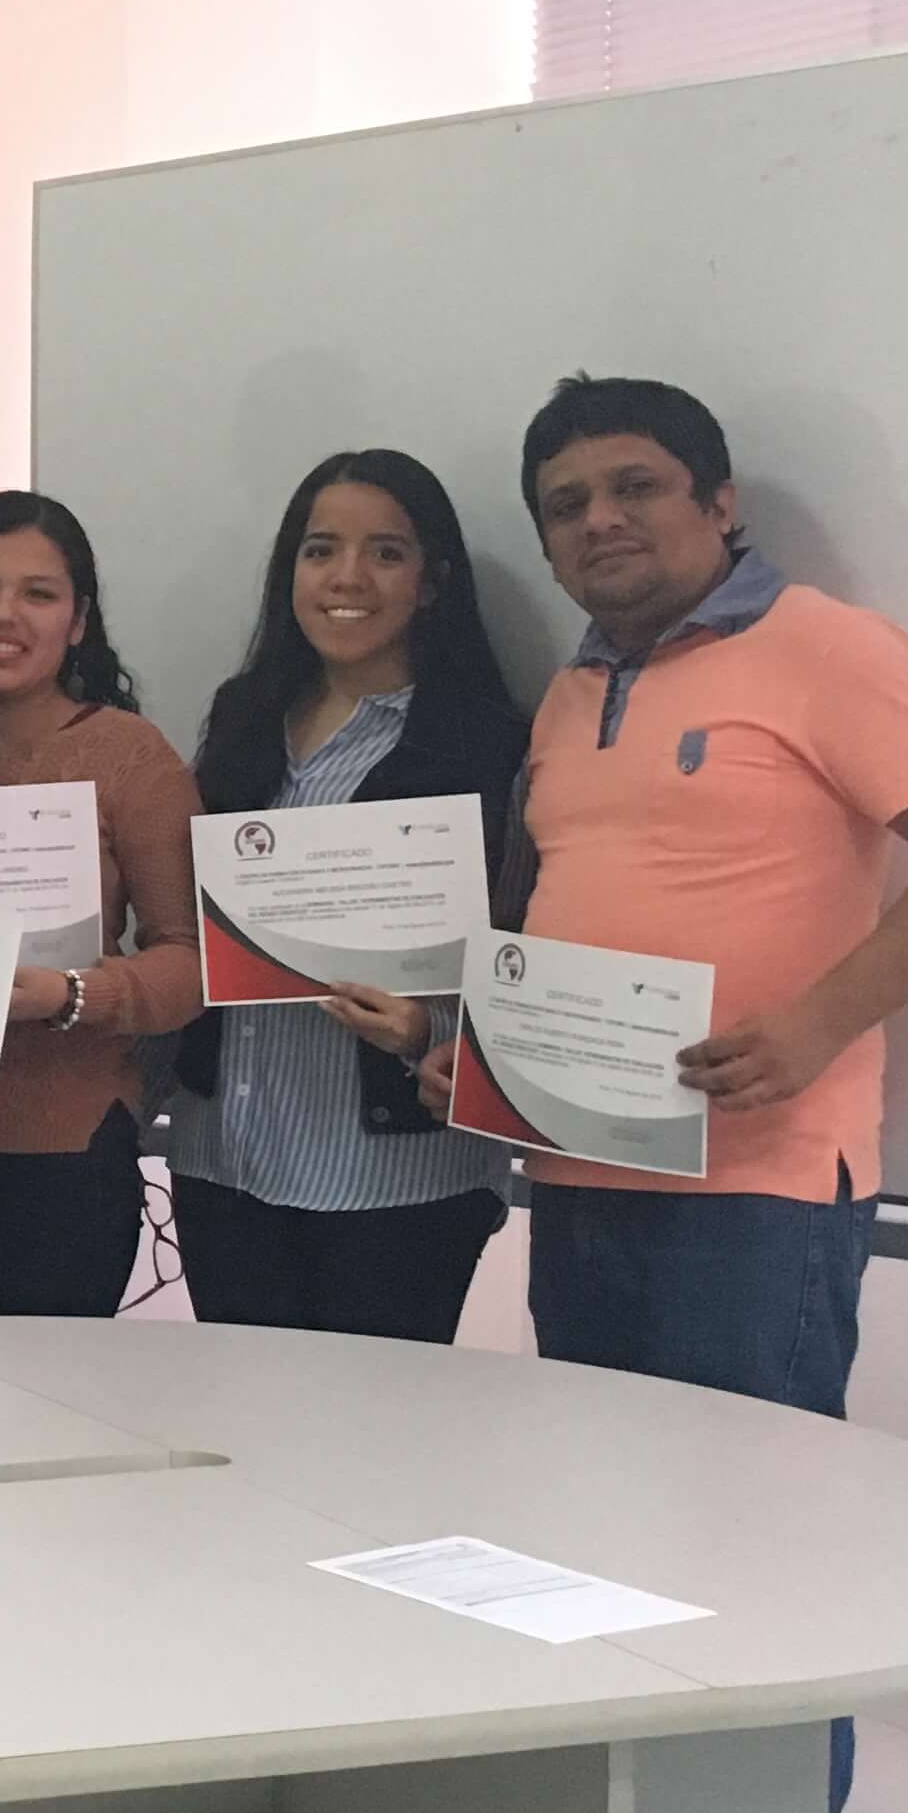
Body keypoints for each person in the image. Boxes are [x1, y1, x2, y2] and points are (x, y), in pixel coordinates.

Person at [442, 376, 908, 1813]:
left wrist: (820, 1022)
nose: (600, 521)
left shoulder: (828, 647)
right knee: (614, 1541)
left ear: (716, 505)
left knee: (767, 1555)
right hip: (586, 1179)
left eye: (635, 486)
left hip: (762, 1191)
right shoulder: (574, 690)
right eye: (566, 502)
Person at [158, 451, 525, 1343]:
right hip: (223, 1159)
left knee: (373, 1427)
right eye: (320, 550)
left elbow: (528, 948)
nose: (347, 578)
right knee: (240, 1414)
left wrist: (427, 1030)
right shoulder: (243, 715)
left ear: (432, 582)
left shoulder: (485, 740)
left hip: (396, 1177)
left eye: (386, 554)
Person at [0, 494, 205, 1318]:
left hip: (59, 1158)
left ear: (79, 621)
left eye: (38, 594)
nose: (3, 614)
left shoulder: (129, 756)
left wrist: (70, 995)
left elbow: (191, 962)